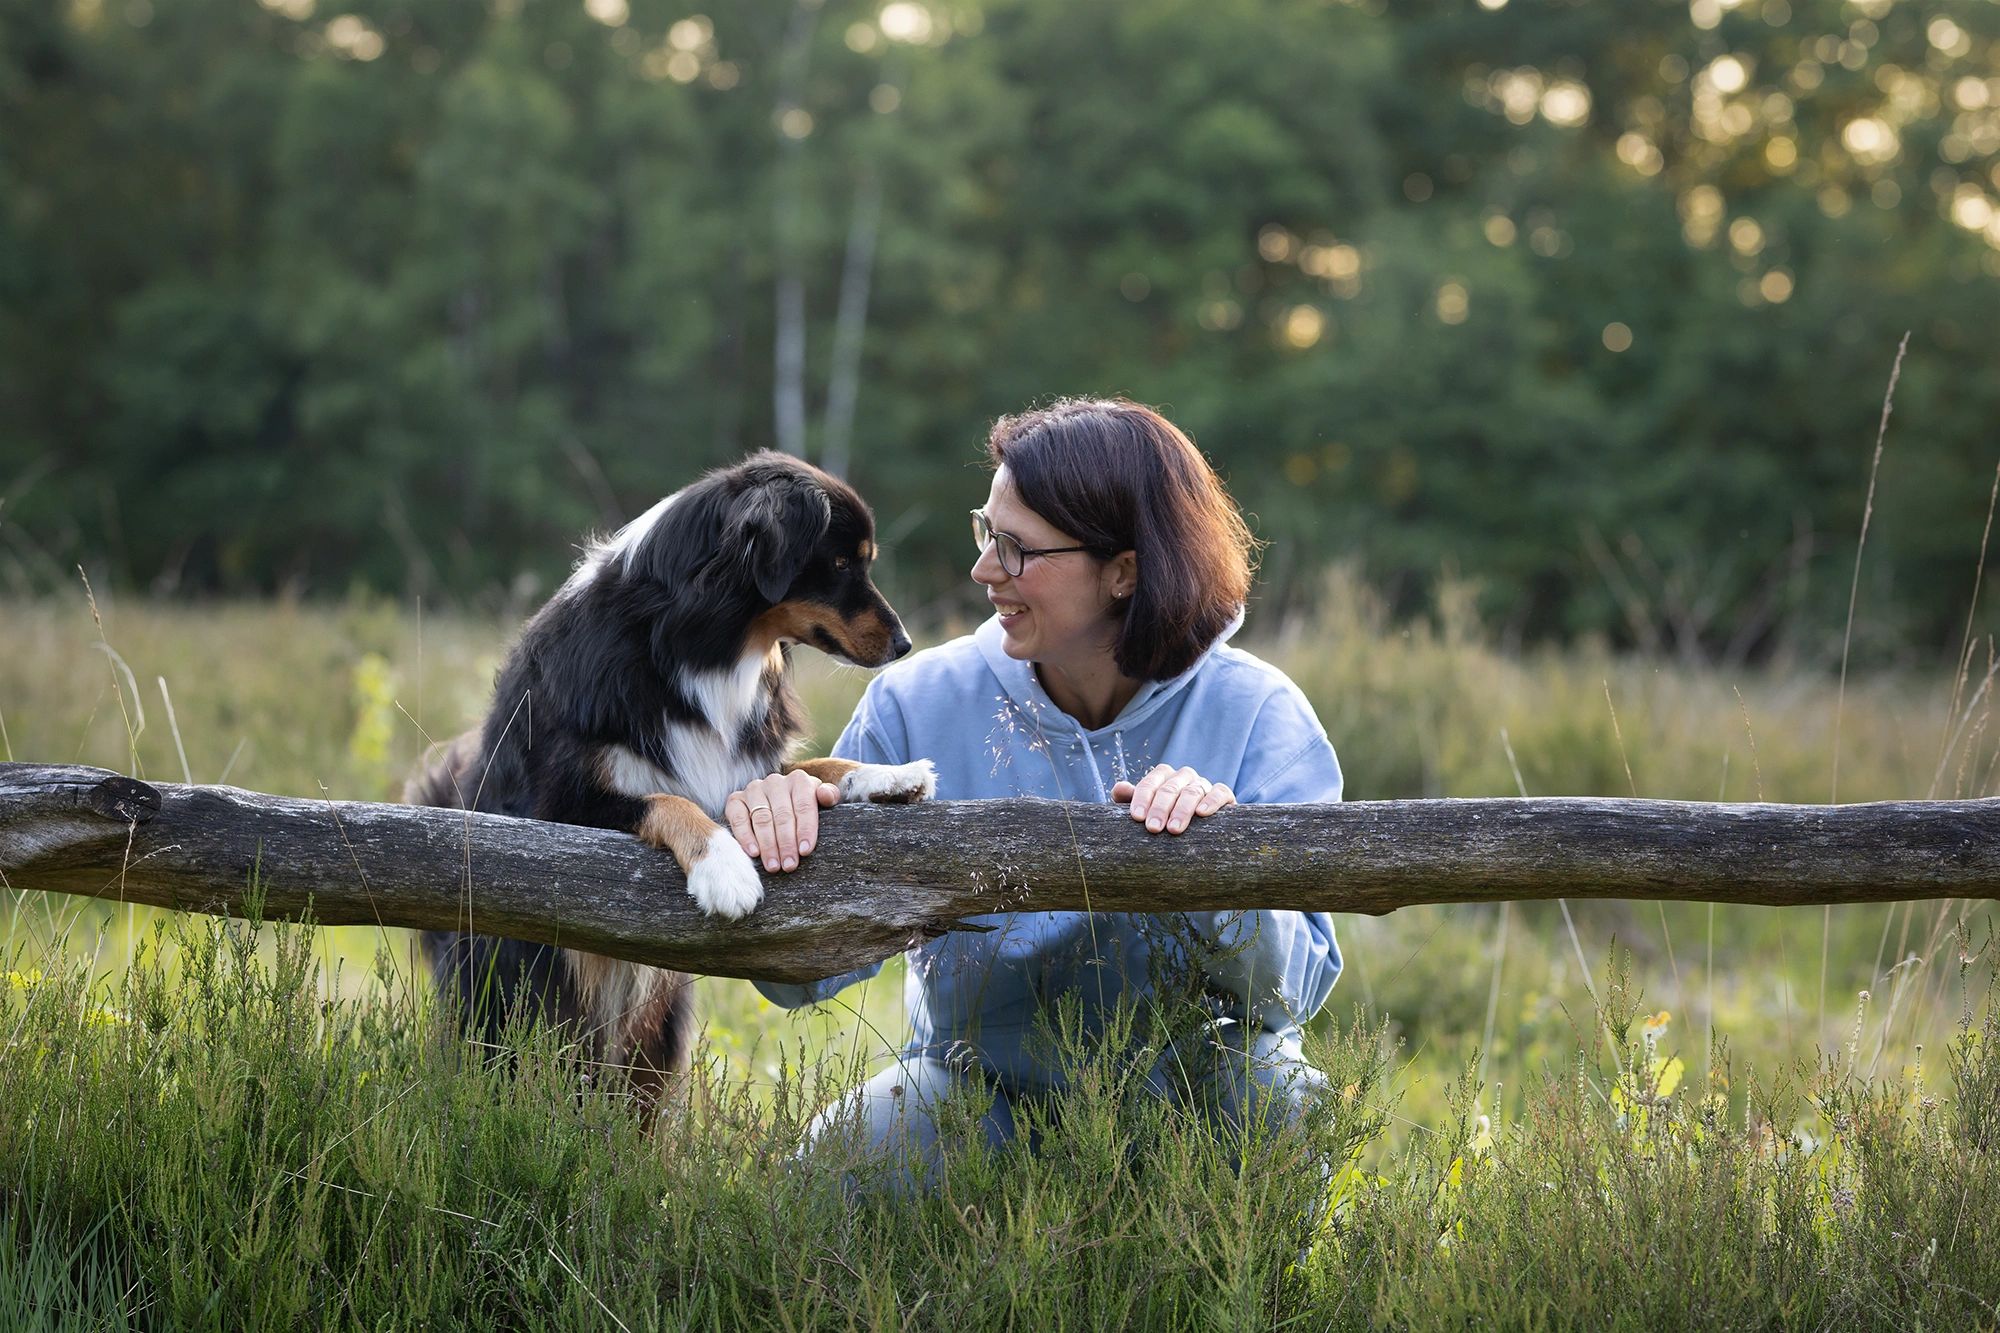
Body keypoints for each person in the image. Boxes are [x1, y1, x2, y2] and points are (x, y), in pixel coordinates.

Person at [725, 397, 1343, 1183]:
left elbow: (1299, 989)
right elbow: (797, 979)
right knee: (829, 1169)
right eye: (987, 531)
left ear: (1124, 570)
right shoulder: (914, 704)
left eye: (1017, 548)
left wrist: (1217, 871)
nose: (984, 569)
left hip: (1197, 1098)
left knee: (1283, 1102)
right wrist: (779, 846)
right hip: (973, 1094)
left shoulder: (1260, 714)